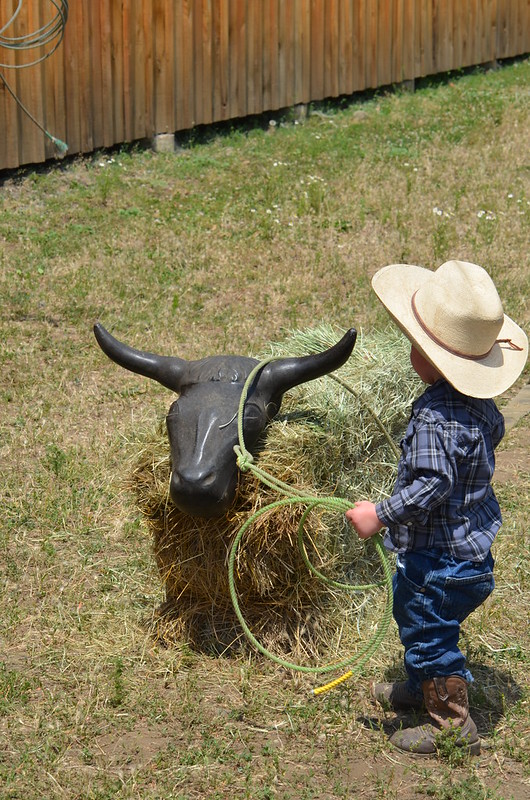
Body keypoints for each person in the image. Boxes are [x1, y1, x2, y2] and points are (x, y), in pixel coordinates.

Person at [346, 259, 528, 756]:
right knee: (417, 617)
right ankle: (419, 684)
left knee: (428, 628)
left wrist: (378, 514)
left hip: (440, 561)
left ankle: (451, 723)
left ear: (429, 357)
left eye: (415, 342)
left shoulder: (434, 418)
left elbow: (431, 485)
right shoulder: (478, 405)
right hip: (466, 551)